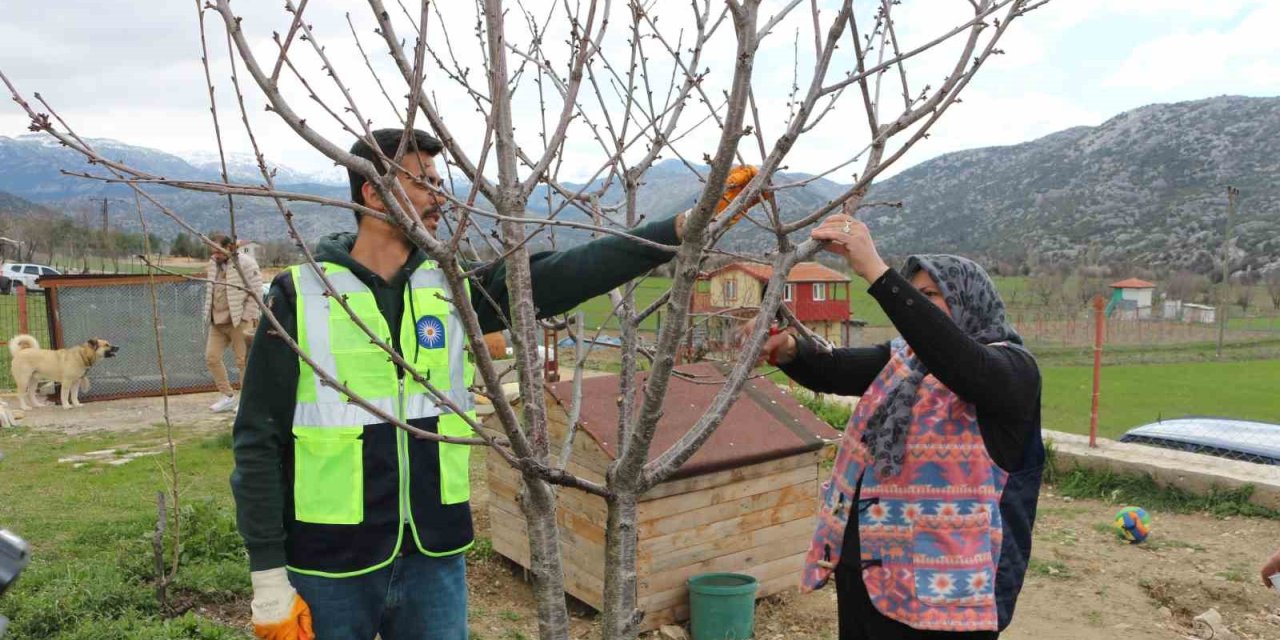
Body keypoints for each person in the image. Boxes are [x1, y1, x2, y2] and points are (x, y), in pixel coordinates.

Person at [231, 128, 765, 640]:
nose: (439, 196)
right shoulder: (300, 296)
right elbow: (258, 438)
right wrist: (268, 575)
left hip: (435, 556)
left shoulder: (452, 286)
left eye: (439, 182)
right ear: (373, 192)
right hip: (329, 565)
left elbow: (569, 271)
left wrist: (681, 227)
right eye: (422, 182)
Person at [759, 213, 1044, 639]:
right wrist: (787, 349)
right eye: (915, 295)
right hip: (873, 571)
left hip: (950, 596)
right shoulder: (906, 361)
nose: (918, 305)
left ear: (969, 300)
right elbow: (833, 368)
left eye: (930, 295)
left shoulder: (1013, 371)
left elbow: (962, 363)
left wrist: (876, 271)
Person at [204, 233, 263, 413]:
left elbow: (256, 291)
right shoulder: (213, 263)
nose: (215, 255)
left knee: (243, 362)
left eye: (218, 251)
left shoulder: (246, 263)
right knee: (212, 358)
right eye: (213, 251)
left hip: (239, 321)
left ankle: (246, 401)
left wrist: (247, 316)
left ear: (229, 247)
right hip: (217, 321)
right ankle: (227, 396)